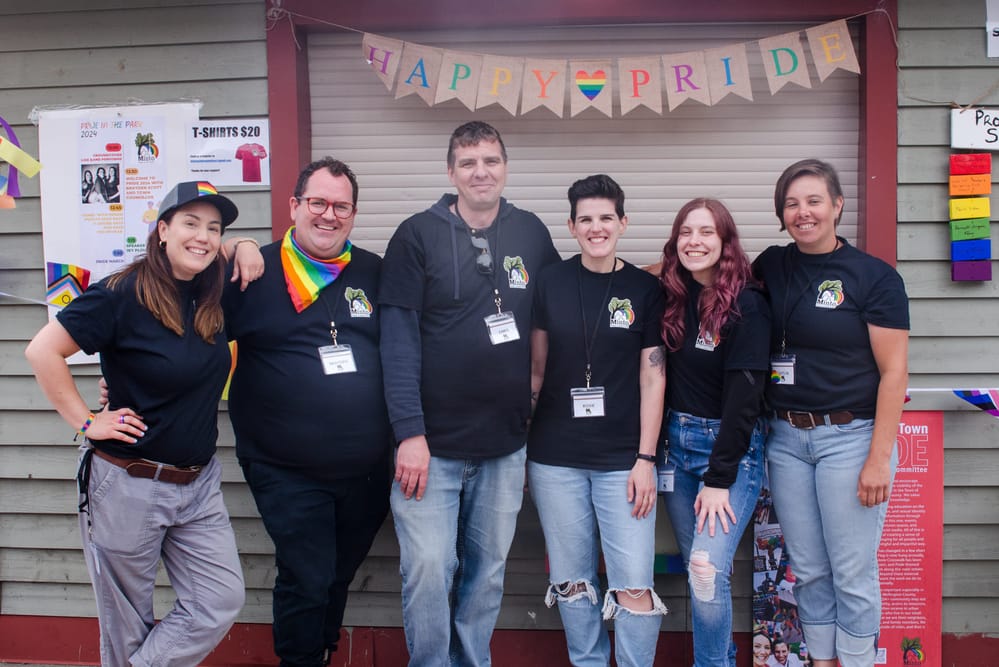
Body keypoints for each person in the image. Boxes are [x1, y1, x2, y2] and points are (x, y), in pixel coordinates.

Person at [25, 181, 245, 666]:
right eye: (190, 223)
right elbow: (43, 351)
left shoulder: (209, 295)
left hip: (198, 485)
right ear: (162, 230)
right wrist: (87, 421)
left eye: (213, 228)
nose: (203, 237)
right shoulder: (121, 293)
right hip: (129, 482)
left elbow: (230, 252)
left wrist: (243, 245)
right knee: (127, 627)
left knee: (219, 600)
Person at [379, 121, 560, 665]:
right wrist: (409, 434)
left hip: (505, 446)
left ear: (505, 166)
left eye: (491, 160)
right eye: (468, 162)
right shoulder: (415, 235)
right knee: (431, 568)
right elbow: (398, 343)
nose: (481, 171)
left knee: (486, 573)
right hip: (430, 450)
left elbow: (556, 315)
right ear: (450, 172)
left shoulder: (531, 232)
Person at [224, 157, 391, 666]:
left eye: (340, 206)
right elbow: (188, 341)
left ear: (354, 213)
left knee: (336, 574)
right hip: (284, 467)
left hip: (366, 469)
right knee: (307, 574)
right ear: (294, 206)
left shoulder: (374, 272)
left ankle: (320, 650)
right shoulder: (252, 272)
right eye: (317, 202)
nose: (328, 215)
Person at [753, 159, 909, 667]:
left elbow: (894, 373)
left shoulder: (874, 278)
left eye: (814, 201)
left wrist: (878, 458)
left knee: (852, 570)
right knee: (809, 568)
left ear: (837, 205)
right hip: (786, 440)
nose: (803, 212)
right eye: (792, 203)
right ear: (781, 213)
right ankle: (821, 661)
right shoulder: (771, 266)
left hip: (850, 438)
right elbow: (708, 273)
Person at [528, 174, 667, 666]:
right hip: (554, 459)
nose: (596, 227)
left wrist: (646, 457)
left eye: (606, 217)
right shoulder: (550, 282)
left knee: (633, 584)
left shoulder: (644, 288)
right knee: (571, 582)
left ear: (623, 223)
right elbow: (537, 370)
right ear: (571, 226)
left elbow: (653, 378)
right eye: (585, 218)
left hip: (622, 461)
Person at [657, 198, 771, 667]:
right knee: (699, 571)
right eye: (686, 232)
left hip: (728, 450)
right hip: (673, 449)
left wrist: (720, 477)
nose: (695, 242)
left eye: (706, 232)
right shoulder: (673, 296)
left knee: (705, 570)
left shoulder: (747, 304)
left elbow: (746, 398)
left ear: (725, 242)